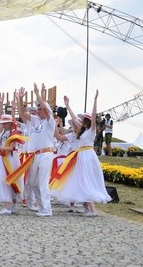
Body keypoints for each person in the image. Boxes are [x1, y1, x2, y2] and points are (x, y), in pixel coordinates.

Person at [50, 91, 112, 216]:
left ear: (87, 121)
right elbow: (73, 119)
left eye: (84, 119)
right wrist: (67, 106)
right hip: (81, 155)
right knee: (81, 180)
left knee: (86, 179)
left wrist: (95, 100)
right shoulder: (81, 132)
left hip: (88, 154)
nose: (80, 121)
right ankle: (87, 207)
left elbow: (94, 116)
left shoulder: (92, 131)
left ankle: (92, 209)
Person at [16, 83, 56, 217]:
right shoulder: (35, 120)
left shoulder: (50, 122)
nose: (38, 111)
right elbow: (22, 113)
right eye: (37, 109)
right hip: (34, 155)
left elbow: (45, 107)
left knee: (43, 182)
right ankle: (41, 205)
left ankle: (47, 209)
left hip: (46, 153)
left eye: (40, 109)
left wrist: (38, 94)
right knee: (32, 183)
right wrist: (20, 99)